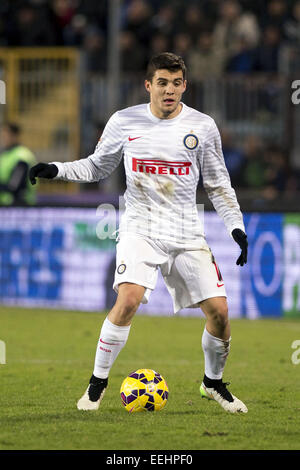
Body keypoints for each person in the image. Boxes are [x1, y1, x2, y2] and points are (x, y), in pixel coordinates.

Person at [29, 53, 248, 414]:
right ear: (148, 85)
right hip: (140, 227)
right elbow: (97, 165)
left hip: (186, 231)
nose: (170, 90)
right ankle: (97, 386)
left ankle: (213, 384)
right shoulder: (125, 121)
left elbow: (219, 184)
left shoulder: (203, 127)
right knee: (128, 299)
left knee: (220, 314)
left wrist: (236, 227)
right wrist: (56, 169)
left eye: (176, 83)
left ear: (184, 86)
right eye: (162, 83)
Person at [0, 122, 36, 206]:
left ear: (14, 136)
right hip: (4, 206)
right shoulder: (5, 154)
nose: (3, 138)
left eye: (5, 135)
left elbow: (14, 186)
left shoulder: (22, 156)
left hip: (19, 207)